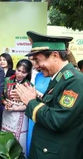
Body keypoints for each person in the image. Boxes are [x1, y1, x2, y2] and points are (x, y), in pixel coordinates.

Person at [14, 31, 83, 159]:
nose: (36, 66)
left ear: (55, 55)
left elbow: (57, 120)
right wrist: (34, 97)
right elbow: (53, 104)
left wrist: (31, 102)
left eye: (37, 60)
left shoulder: (75, 81)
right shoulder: (59, 78)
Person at [1, 59, 32, 155]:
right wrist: (6, 103)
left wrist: (15, 108)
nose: (20, 74)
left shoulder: (29, 86)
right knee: (5, 138)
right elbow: (1, 95)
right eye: (18, 70)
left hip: (20, 115)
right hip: (7, 113)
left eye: (24, 72)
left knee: (19, 140)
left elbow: (29, 104)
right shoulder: (6, 80)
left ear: (28, 73)